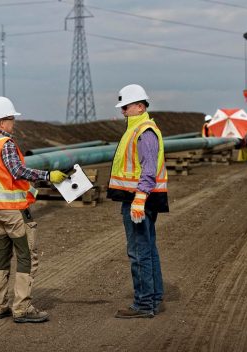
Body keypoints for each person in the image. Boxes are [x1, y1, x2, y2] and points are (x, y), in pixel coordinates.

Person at [0, 96, 67, 323]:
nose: (13, 122)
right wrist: (47, 176)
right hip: (12, 209)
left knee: (0, 255)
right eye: (11, 118)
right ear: (2, 121)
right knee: (26, 256)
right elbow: (17, 171)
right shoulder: (5, 144)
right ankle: (22, 308)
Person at [107, 84, 169, 319]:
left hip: (140, 200)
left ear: (140, 106)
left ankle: (144, 304)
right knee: (148, 249)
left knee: (139, 251)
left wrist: (139, 199)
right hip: (140, 199)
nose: (123, 111)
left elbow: (149, 170)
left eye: (126, 106)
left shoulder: (144, 132)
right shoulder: (137, 129)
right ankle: (153, 298)